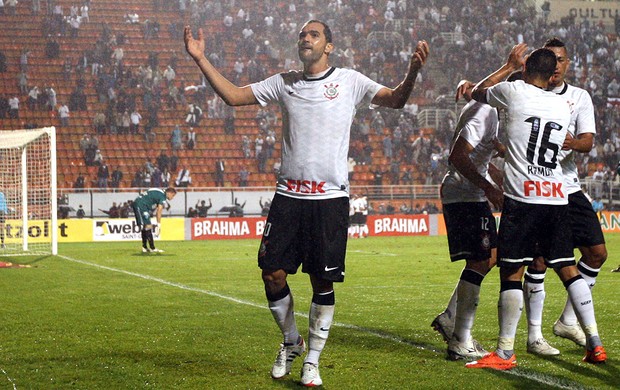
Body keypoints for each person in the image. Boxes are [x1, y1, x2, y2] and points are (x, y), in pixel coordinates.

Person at [185, 20, 429, 386]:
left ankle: (312, 359)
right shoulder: (284, 82)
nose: (305, 38)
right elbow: (234, 96)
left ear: (329, 46)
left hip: (329, 200)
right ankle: (291, 342)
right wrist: (200, 59)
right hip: (289, 198)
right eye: (302, 34)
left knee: (322, 281)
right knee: (271, 272)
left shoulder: (349, 80)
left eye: (313, 34)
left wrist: (412, 71)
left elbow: (395, 100)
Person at [465, 44, 606, 370]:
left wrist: (507, 64)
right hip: (557, 196)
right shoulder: (561, 105)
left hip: (523, 198)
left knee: (512, 270)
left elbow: (477, 92)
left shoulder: (514, 91)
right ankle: (595, 342)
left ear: (527, 70)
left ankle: (504, 353)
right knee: (568, 268)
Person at [522, 38, 609, 356]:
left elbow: (588, 141)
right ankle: (534, 336)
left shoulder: (578, 97)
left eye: (561, 59)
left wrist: (572, 143)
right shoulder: (528, 92)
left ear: (568, 63)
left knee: (597, 253)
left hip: (569, 189)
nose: (556, 65)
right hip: (538, 188)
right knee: (539, 260)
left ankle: (567, 321)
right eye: (551, 60)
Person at [432, 79, 503, 361]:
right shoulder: (486, 111)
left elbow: (479, 153)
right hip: (465, 194)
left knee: (490, 257)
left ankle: (451, 318)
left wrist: (494, 176)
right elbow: (458, 155)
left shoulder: (488, 111)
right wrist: (487, 187)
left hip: (470, 194)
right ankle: (460, 339)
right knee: (479, 261)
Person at [132, 187, 176, 253]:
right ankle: (152, 248)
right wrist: (158, 225)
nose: (173, 198)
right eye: (173, 195)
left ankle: (145, 247)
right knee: (148, 226)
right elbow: (159, 211)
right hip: (141, 205)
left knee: (145, 226)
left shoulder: (159, 191)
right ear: (169, 193)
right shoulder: (162, 196)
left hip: (140, 204)